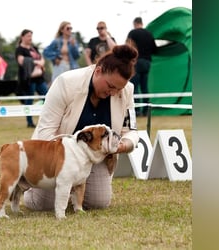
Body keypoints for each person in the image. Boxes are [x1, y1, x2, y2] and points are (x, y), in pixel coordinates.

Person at [23, 44, 140, 211]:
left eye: (118, 89)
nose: (114, 93)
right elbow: (45, 131)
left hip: (94, 157)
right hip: (56, 156)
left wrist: (124, 145)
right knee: (44, 205)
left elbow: (131, 131)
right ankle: (30, 186)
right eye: (110, 86)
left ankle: (71, 190)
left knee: (98, 203)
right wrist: (63, 164)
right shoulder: (65, 83)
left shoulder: (127, 90)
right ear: (98, 71)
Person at [15, 29, 49, 128]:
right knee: (29, 100)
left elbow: (41, 58)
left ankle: (47, 120)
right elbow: (21, 61)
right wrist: (36, 62)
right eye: (28, 36)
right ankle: (29, 122)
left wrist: (41, 62)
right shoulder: (19, 49)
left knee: (47, 97)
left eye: (31, 36)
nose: (30, 38)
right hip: (29, 79)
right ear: (22, 37)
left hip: (39, 78)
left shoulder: (34, 48)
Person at [126, 17, 157, 116]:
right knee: (145, 87)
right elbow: (154, 49)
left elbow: (128, 47)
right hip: (147, 62)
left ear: (135, 24)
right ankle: (147, 110)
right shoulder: (149, 34)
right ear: (142, 23)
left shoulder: (133, 33)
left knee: (134, 87)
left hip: (136, 62)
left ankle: (137, 110)